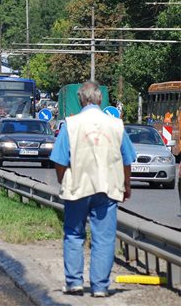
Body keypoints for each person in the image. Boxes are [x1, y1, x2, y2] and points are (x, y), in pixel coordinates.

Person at [50, 81, 136, 298]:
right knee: (104, 238)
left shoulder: (71, 125)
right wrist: (127, 185)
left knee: (73, 234)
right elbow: (127, 160)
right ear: (99, 100)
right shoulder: (116, 125)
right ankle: (99, 287)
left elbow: (59, 160)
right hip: (107, 189)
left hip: (78, 186)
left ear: (81, 100)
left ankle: (74, 283)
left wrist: (64, 179)